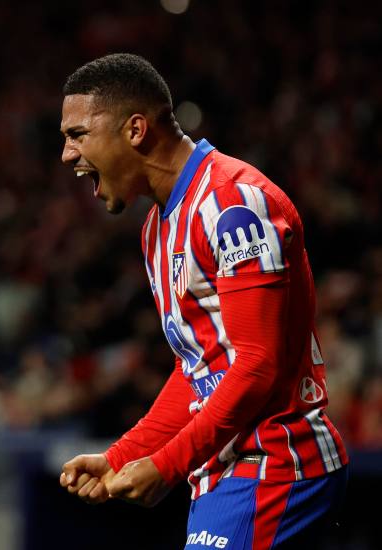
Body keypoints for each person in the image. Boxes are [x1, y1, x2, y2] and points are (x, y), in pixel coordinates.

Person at [58, 53, 348, 549]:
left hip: (275, 465)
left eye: (77, 135)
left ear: (135, 130)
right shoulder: (157, 229)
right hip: (227, 472)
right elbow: (197, 371)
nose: (67, 154)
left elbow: (256, 364)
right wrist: (122, 456)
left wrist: (167, 465)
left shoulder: (233, 205)